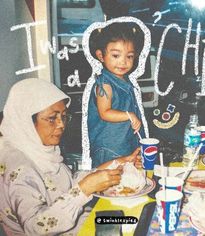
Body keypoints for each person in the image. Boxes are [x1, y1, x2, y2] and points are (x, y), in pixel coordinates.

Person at [0, 78, 142, 236]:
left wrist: (117, 163)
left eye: (63, 116)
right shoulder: (19, 167)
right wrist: (84, 189)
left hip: (82, 222)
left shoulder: (39, 149)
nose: (61, 124)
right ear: (26, 120)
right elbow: (36, 228)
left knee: (136, 219)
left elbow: (69, 183)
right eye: (52, 118)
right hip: (75, 229)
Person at [88, 22, 146, 168]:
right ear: (101, 56)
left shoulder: (124, 81)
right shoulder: (105, 85)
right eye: (115, 55)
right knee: (108, 183)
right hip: (109, 148)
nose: (123, 62)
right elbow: (105, 112)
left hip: (125, 143)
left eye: (130, 56)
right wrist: (129, 115)